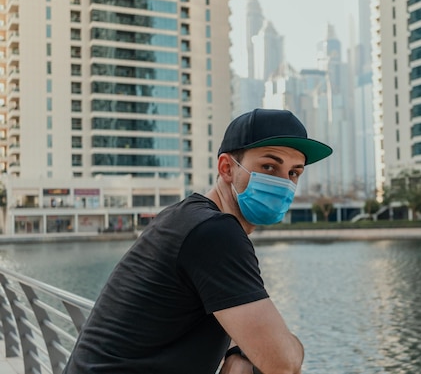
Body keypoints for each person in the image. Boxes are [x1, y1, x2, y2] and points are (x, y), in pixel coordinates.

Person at [62, 109, 333, 374]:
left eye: (294, 173)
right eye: (268, 167)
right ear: (227, 168)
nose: (283, 183)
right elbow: (282, 363)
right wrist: (293, 345)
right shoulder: (215, 233)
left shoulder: (186, 217)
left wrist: (238, 353)